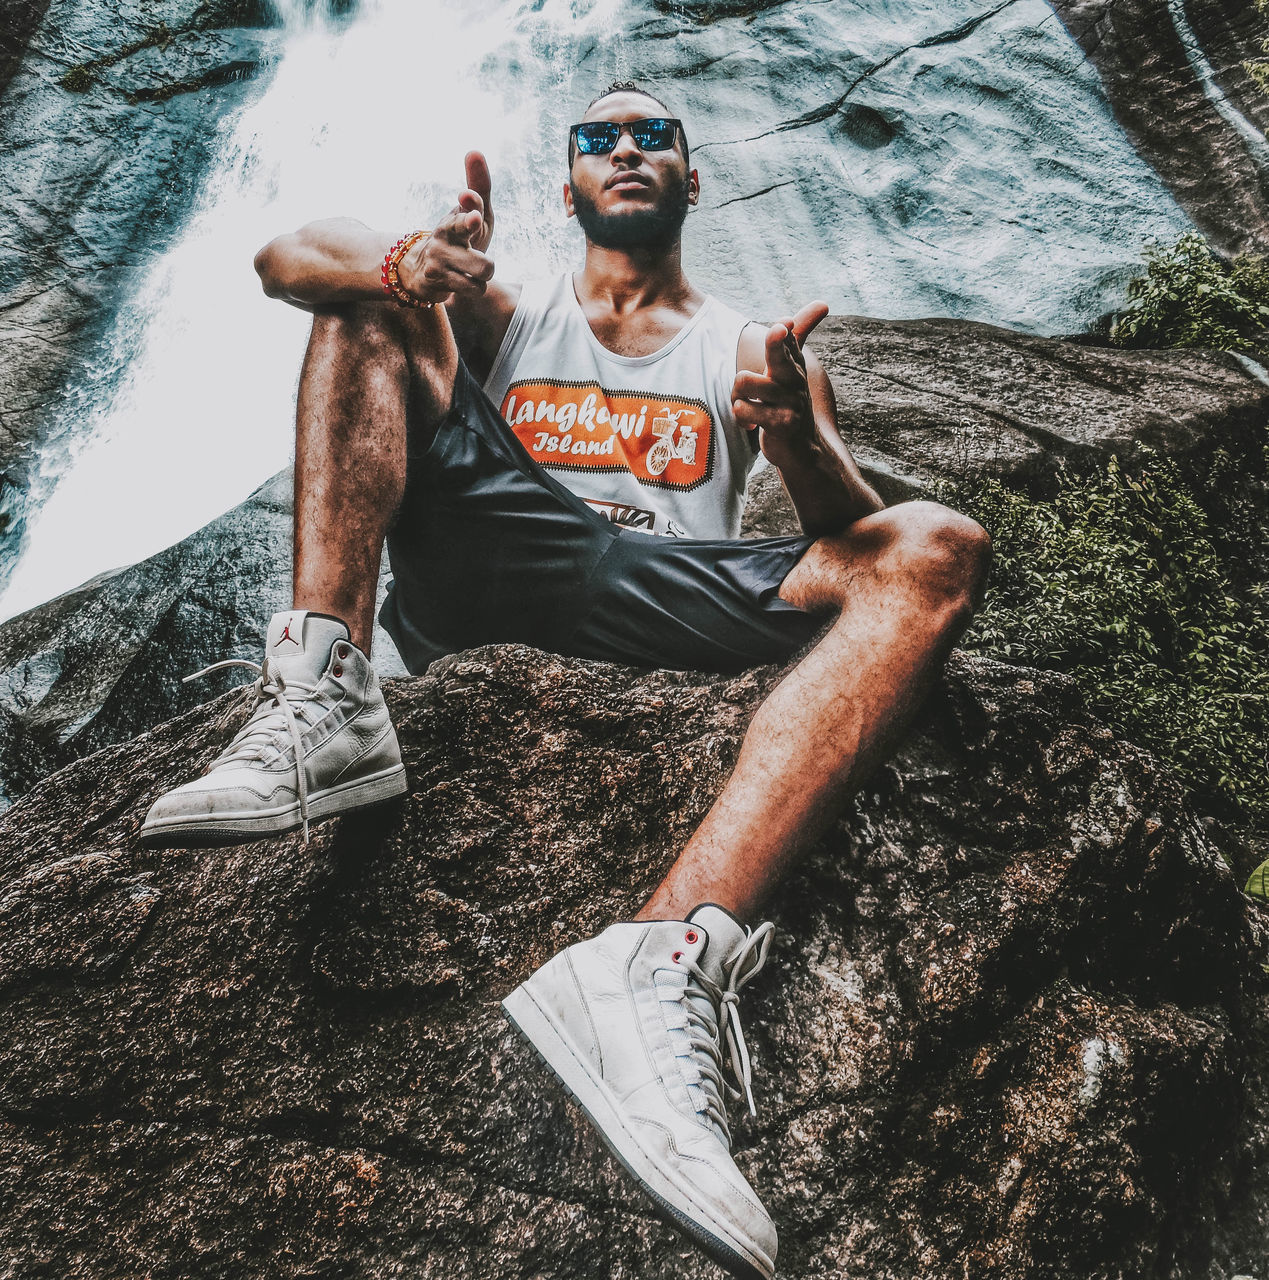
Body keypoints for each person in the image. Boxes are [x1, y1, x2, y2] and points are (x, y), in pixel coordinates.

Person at [140, 82, 991, 1279]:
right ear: (569, 184)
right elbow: (284, 258)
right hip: (503, 557)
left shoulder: (750, 345)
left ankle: (656, 961)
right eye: (602, 138)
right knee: (361, 303)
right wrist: (406, 259)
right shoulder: (502, 311)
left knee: (941, 547)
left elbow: (858, 536)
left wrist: (795, 434)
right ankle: (325, 696)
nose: (630, 149)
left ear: (693, 181)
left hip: (663, 590)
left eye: (656, 138)